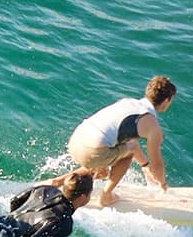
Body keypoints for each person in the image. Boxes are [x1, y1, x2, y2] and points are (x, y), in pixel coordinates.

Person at [68, 76, 177, 207]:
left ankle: (58, 182)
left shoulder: (127, 102)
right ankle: (106, 196)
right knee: (127, 152)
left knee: (104, 169)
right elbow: (157, 164)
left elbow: (127, 140)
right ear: (166, 101)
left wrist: (144, 165)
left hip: (75, 142)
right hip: (91, 151)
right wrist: (162, 184)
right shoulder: (152, 126)